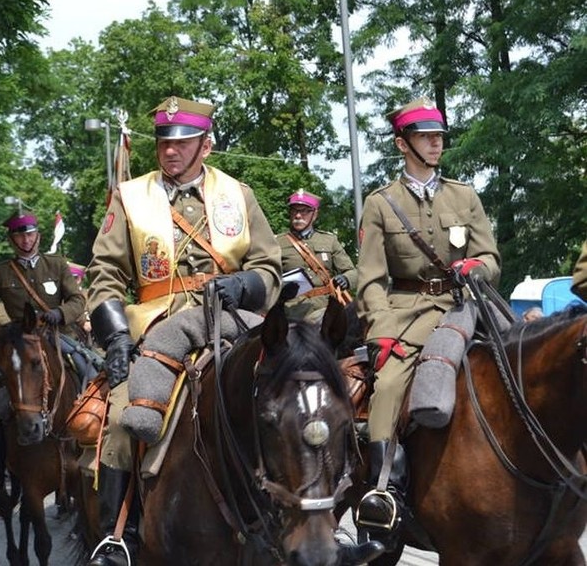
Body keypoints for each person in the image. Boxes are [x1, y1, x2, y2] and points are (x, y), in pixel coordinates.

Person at [85, 95, 283, 566]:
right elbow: (105, 272)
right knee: (119, 420)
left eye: (183, 142)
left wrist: (244, 282)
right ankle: (119, 537)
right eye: (164, 142)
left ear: (206, 146)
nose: (170, 150)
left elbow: (269, 267)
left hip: (231, 319)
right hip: (157, 323)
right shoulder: (130, 197)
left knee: (290, 398)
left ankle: (303, 519)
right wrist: (114, 334)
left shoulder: (239, 194)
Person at [354, 98, 501, 550]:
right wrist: (380, 327)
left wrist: (473, 268)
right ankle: (384, 491)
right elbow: (371, 280)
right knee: (391, 386)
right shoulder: (382, 204)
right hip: (405, 312)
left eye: (438, 135)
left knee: (516, 364)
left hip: (463, 305)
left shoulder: (464, 196)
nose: (436, 143)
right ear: (403, 144)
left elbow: (492, 259)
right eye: (424, 136)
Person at [0, 212, 87, 492]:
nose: (26, 239)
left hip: (60, 339)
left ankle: (99, 448)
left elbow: (78, 299)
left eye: (30, 234)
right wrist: (1, 338)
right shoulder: (2, 272)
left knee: (91, 370)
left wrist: (60, 313)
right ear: (12, 240)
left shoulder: (56, 264)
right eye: (20, 235)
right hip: (21, 345)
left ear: (38, 236)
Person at [276, 189, 358, 324]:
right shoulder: (277, 243)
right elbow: (268, 277)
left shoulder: (329, 240)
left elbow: (352, 271)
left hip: (326, 307)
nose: (298, 215)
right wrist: (280, 290)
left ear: (314, 214)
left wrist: (346, 279)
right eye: (294, 211)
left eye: (304, 211)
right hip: (292, 310)